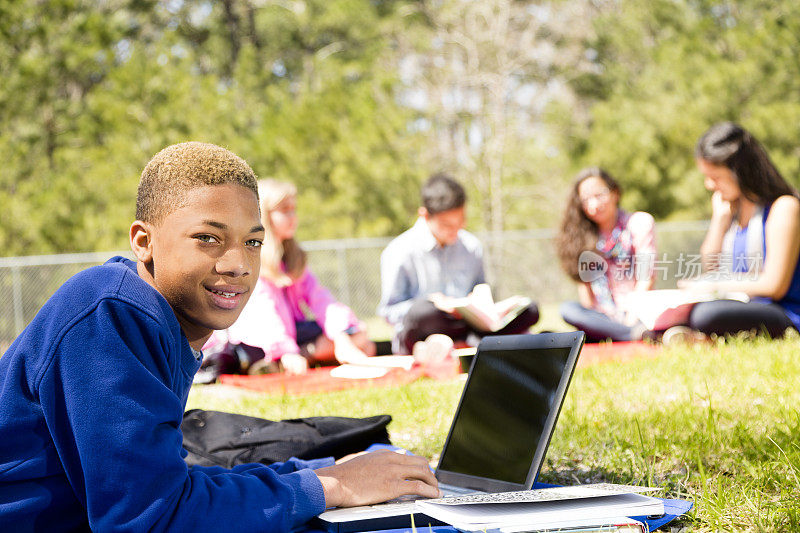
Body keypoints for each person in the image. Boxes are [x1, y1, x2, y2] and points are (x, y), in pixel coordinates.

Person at [0, 142, 439, 531]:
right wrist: (331, 487)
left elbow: (171, 486)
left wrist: (330, 468)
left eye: (252, 242)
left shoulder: (162, 319)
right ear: (143, 241)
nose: (237, 264)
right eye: (208, 238)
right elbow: (151, 520)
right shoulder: (111, 313)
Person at [203, 179, 375, 375]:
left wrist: (341, 336)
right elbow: (265, 313)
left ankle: (304, 355)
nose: (293, 217)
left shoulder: (292, 257)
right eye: (285, 210)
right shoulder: (251, 257)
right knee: (359, 343)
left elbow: (321, 300)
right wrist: (286, 351)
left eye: (294, 209)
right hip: (258, 337)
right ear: (263, 215)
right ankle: (283, 360)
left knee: (360, 335)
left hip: (291, 331)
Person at [378, 172, 539, 354]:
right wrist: (435, 303)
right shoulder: (399, 251)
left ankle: (464, 345)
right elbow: (389, 312)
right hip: (427, 327)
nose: (454, 231)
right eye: (446, 225)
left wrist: (482, 303)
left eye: (460, 221)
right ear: (424, 215)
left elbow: (480, 296)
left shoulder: (471, 246)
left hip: (466, 325)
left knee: (530, 309)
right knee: (423, 311)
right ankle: (455, 346)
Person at [675, 122, 800, 339]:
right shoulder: (731, 211)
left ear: (741, 173)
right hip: (741, 304)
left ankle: (697, 335)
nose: (709, 185)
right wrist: (719, 221)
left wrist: (711, 285)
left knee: (706, 315)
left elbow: (774, 285)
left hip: (782, 311)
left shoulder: (783, 207)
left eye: (716, 178)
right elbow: (711, 266)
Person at [556, 167, 657, 342]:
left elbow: (646, 277)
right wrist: (592, 320)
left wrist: (630, 316)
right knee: (568, 309)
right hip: (602, 316)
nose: (594, 205)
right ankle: (629, 334)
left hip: (636, 312)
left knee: (642, 319)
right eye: (586, 199)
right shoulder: (581, 236)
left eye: (599, 195)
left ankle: (624, 332)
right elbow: (585, 290)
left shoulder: (639, 223)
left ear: (615, 193)